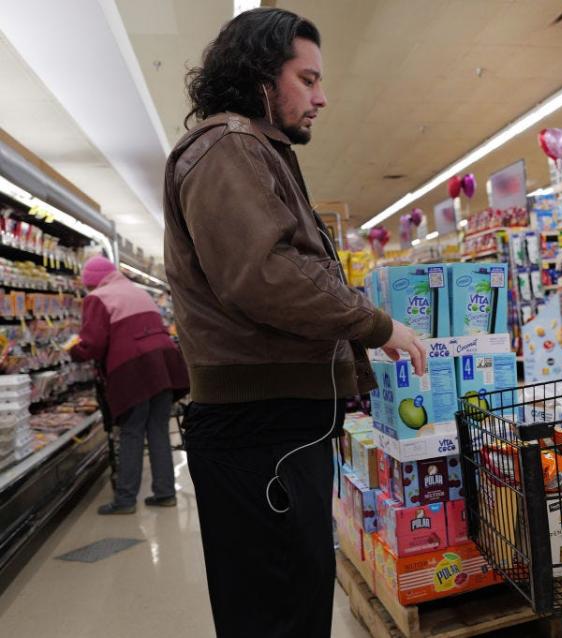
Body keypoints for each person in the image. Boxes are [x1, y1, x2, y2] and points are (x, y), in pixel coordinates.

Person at [162, 8, 426, 638]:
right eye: (307, 80)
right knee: (279, 611)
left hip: (274, 429)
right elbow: (265, 273)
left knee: (290, 600)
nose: (322, 97)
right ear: (260, 78)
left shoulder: (247, 148)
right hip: (261, 433)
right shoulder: (229, 147)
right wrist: (375, 324)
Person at [69, 256, 189, 514]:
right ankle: (165, 492)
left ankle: (125, 500)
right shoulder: (137, 291)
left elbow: (94, 342)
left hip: (133, 369)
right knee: (157, 430)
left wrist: (74, 351)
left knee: (132, 432)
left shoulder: (98, 298)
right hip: (164, 366)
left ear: (92, 282)